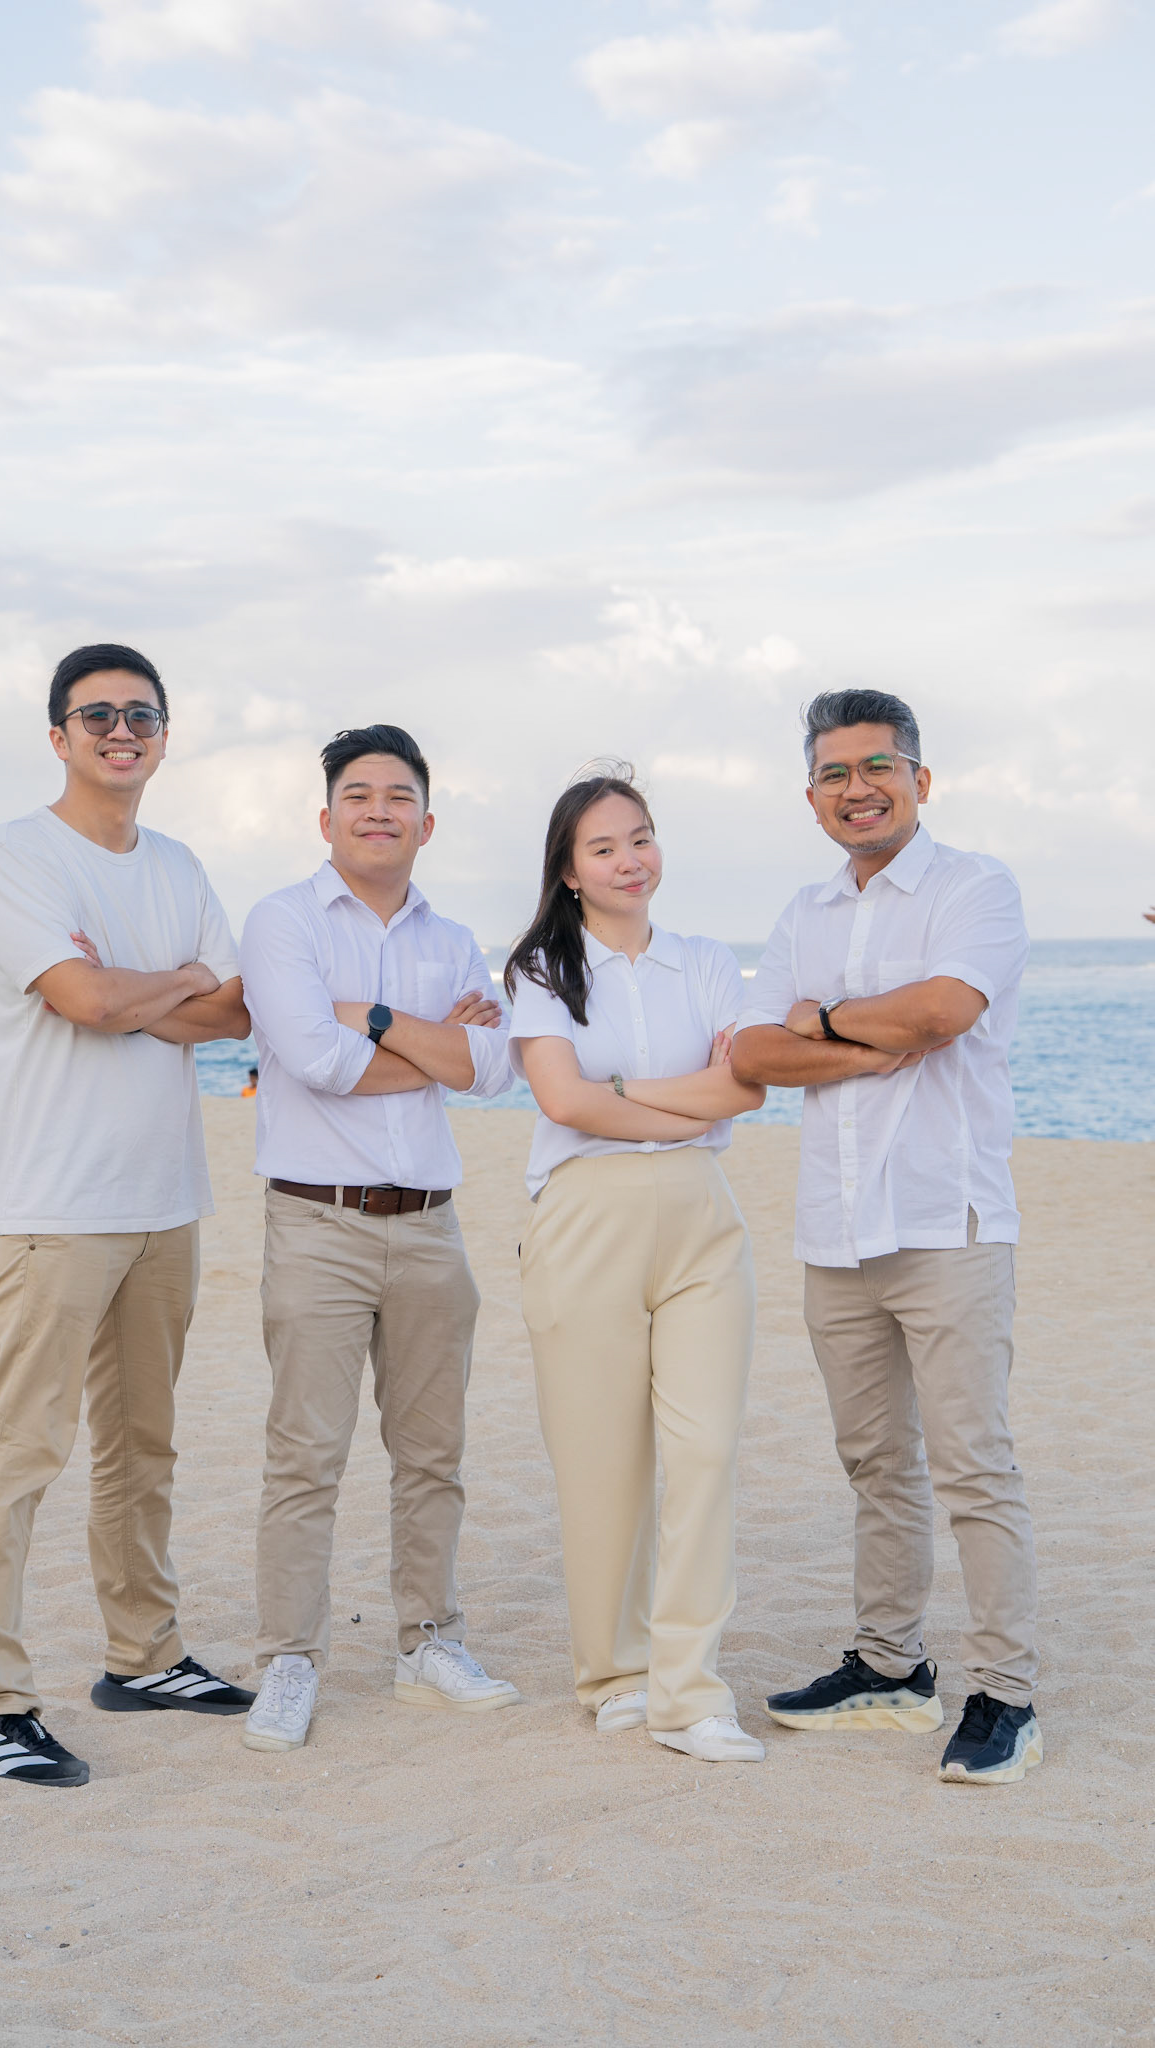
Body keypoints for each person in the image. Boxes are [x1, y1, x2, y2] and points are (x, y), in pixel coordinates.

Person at [0, 643, 256, 1790]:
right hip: (56, 1206)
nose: (122, 730)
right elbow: (77, 998)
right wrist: (156, 983)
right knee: (20, 1450)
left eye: (142, 714)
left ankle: (144, 1654)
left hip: (166, 1200)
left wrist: (132, 989)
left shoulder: (177, 862)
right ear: (59, 735)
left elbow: (235, 1013)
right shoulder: (17, 853)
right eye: (98, 714)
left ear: (164, 735)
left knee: (142, 1444)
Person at [731, 687, 1042, 1786]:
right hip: (836, 1231)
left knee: (972, 1466)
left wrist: (822, 1020)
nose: (856, 788)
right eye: (834, 772)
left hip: (946, 1224)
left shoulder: (975, 887)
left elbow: (943, 1012)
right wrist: (870, 1036)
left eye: (877, 766)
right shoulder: (804, 912)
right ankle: (889, 1665)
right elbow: (752, 1054)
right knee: (873, 1463)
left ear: (920, 777)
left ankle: (1006, 1693)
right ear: (811, 794)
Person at [237, 723, 521, 1752]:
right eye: (358, 794)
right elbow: (314, 1059)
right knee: (305, 1456)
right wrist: (438, 1042)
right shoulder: (282, 921)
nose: (378, 810)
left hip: (431, 1227)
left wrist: (379, 1016)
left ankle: (427, 1641)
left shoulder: (452, 938)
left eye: (399, 795)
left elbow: (494, 1068)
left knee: (432, 1453)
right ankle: (289, 1659)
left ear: (426, 823)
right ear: (326, 818)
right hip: (317, 1222)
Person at [505, 769, 768, 1764]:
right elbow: (563, 1103)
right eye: (605, 847)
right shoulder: (540, 969)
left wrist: (623, 1086)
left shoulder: (706, 962)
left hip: (702, 1216)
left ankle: (688, 1690)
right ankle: (614, 1673)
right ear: (570, 871)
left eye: (642, 837)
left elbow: (743, 1091)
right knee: (600, 1460)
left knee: (705, 1451)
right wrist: (677, 1096)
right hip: (584, 1216)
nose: (630, 860)